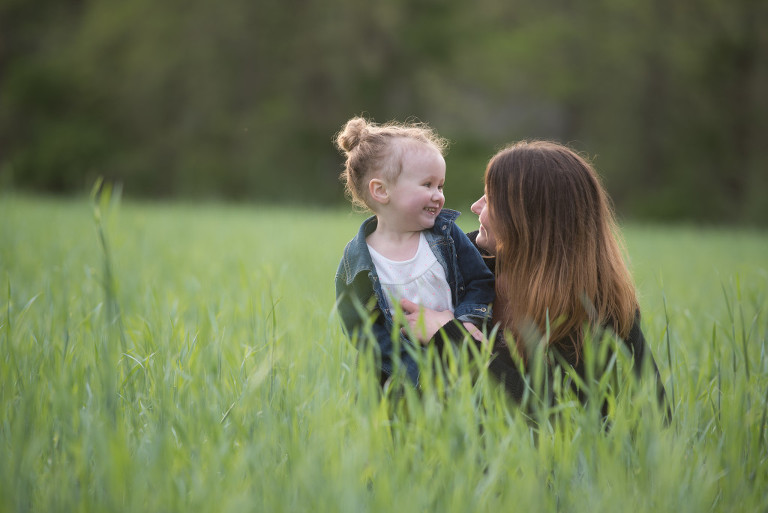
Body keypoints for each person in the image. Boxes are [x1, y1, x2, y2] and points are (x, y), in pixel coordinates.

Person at [400, 140, 668, 412]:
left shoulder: (598, 309)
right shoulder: (461, 262)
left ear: (527, 221)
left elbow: (561, 415)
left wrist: (452, 338)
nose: (475, 206)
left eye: (490, 199)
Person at [334, 117, 495, 386]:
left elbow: (479, 280)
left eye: (440, 185)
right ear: (381, 191)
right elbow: (362, 331)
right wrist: (414, 373)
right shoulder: (358, 261)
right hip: (395, 381)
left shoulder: (447, 236)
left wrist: (467, 322)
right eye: (427, 185)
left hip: (457, 367)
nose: (438, 195)